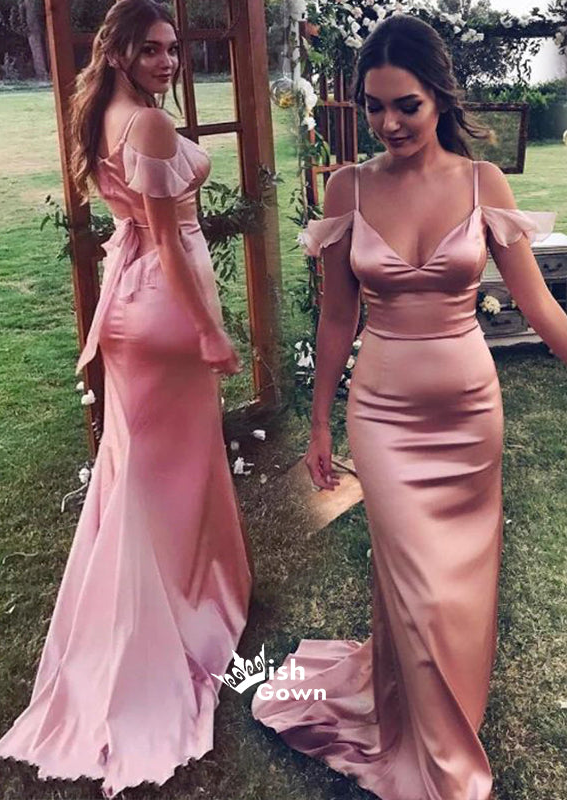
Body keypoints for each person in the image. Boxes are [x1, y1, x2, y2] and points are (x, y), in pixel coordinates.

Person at [251, 14, 563, 800]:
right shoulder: (347, 189)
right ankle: (445, 767)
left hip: (469, 419)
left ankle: (427, 715)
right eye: (374, 106)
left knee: (456, 592)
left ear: (439, 97)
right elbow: (336, 318)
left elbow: (540, 308)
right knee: (416, 583)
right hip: (383, 417)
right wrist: (318, 422)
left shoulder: (482, 184)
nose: (388, 122)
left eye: (406, 105)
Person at [0, 1, 252, 797]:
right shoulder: (150, 126)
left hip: (132, 303)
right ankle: (166, 619)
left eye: (173, 48)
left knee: (142, 471)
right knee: (169, 475)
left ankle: (160, 601)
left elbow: (142, 226)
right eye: (153, 49)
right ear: (122, 51)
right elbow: (167, 238)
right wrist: (211, 332)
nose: (169, 60)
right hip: (166, 308)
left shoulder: (107, 113)